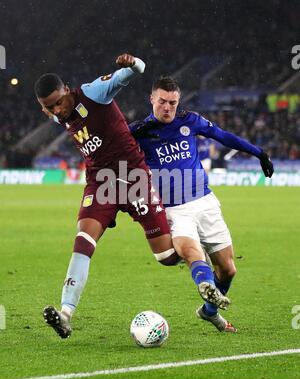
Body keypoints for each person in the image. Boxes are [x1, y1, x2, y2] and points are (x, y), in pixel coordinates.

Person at [34, 55, 185, 339]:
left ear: (67, 90)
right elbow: (55, 114)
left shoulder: (93, 92)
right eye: (48, 107)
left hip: (133, 177)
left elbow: (137, 71)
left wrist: (132, 63)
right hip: (100, 183)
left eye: (58, 102)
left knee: (166, 256)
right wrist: (53, 112)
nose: (56, 110)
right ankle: (66, 315)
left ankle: (192, 244)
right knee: (83, 240)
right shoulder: (58, 113)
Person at [130, 77, 274, 333]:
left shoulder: (190, 120)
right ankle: (205, 284)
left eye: (172, 103)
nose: (167, 108)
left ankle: (209, 311)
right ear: (152, 99)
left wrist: (258, 152)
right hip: (174, 209)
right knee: (191, 251)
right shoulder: (139, 131)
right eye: (162, 101)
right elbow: (110, 152)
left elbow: (223, 136)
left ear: (178, 101)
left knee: (228, 269)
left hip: (205, 202)